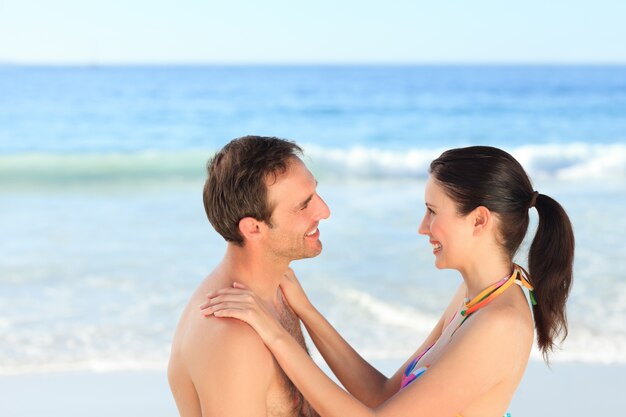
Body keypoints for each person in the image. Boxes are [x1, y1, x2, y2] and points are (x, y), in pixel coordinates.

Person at [202, 146, 575, 417]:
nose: (422, 227)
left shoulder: (499, 322)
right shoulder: (477, 294)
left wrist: (276, 335)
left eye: (432, 212)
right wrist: (305, 310)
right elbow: (380, 394)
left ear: (478, 220)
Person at [168, 136, 330, 417]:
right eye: (304, 206)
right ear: (253, 228)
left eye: (315, 193)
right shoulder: (234, 339)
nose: (325, 211)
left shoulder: (277, 291)